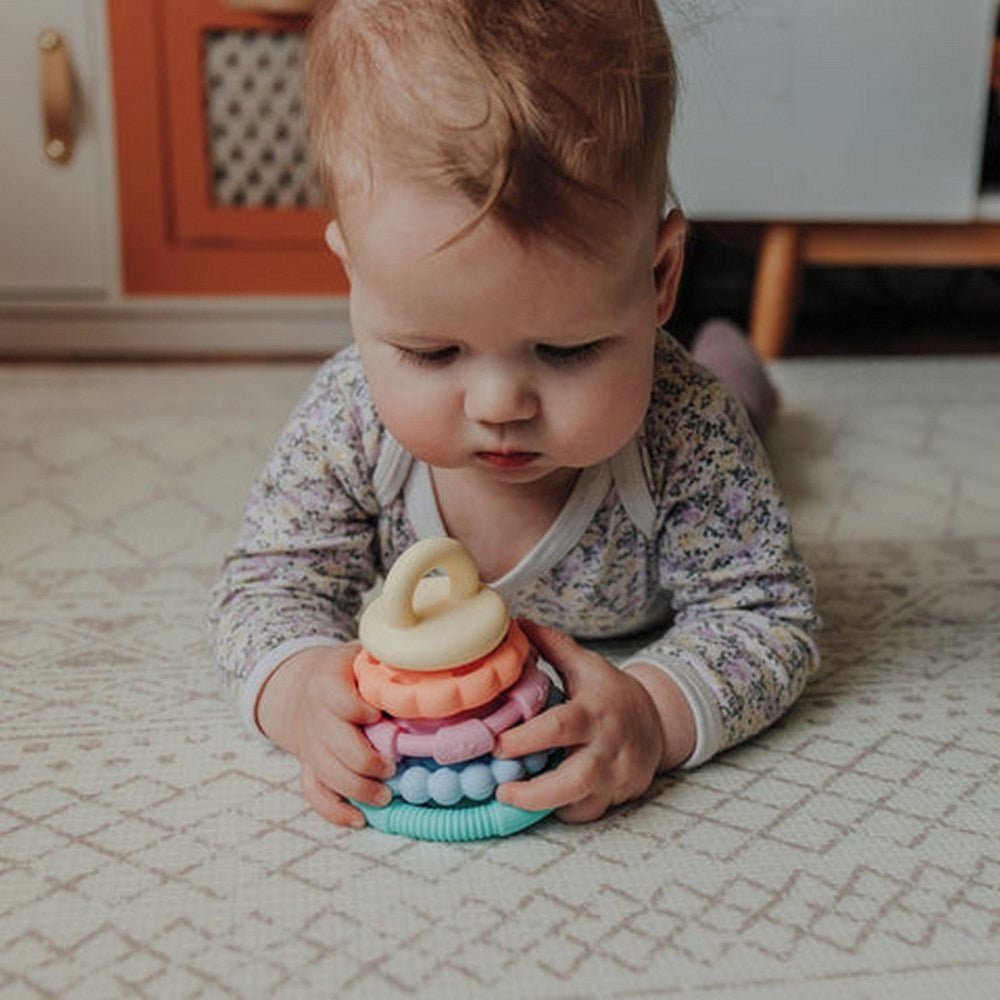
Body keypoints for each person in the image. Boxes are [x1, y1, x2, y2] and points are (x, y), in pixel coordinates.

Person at [209, 0, 819, 829]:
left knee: (734, 401)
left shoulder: (689, 430)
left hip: (697, 420)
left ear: (658, 276)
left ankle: (732, 359)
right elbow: (266, 583)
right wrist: (299, 689)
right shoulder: (346, 421)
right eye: (432, 352)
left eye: (567, 351)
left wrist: (653, 711)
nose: (500, 407)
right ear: (355, 280)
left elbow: (767, 615)